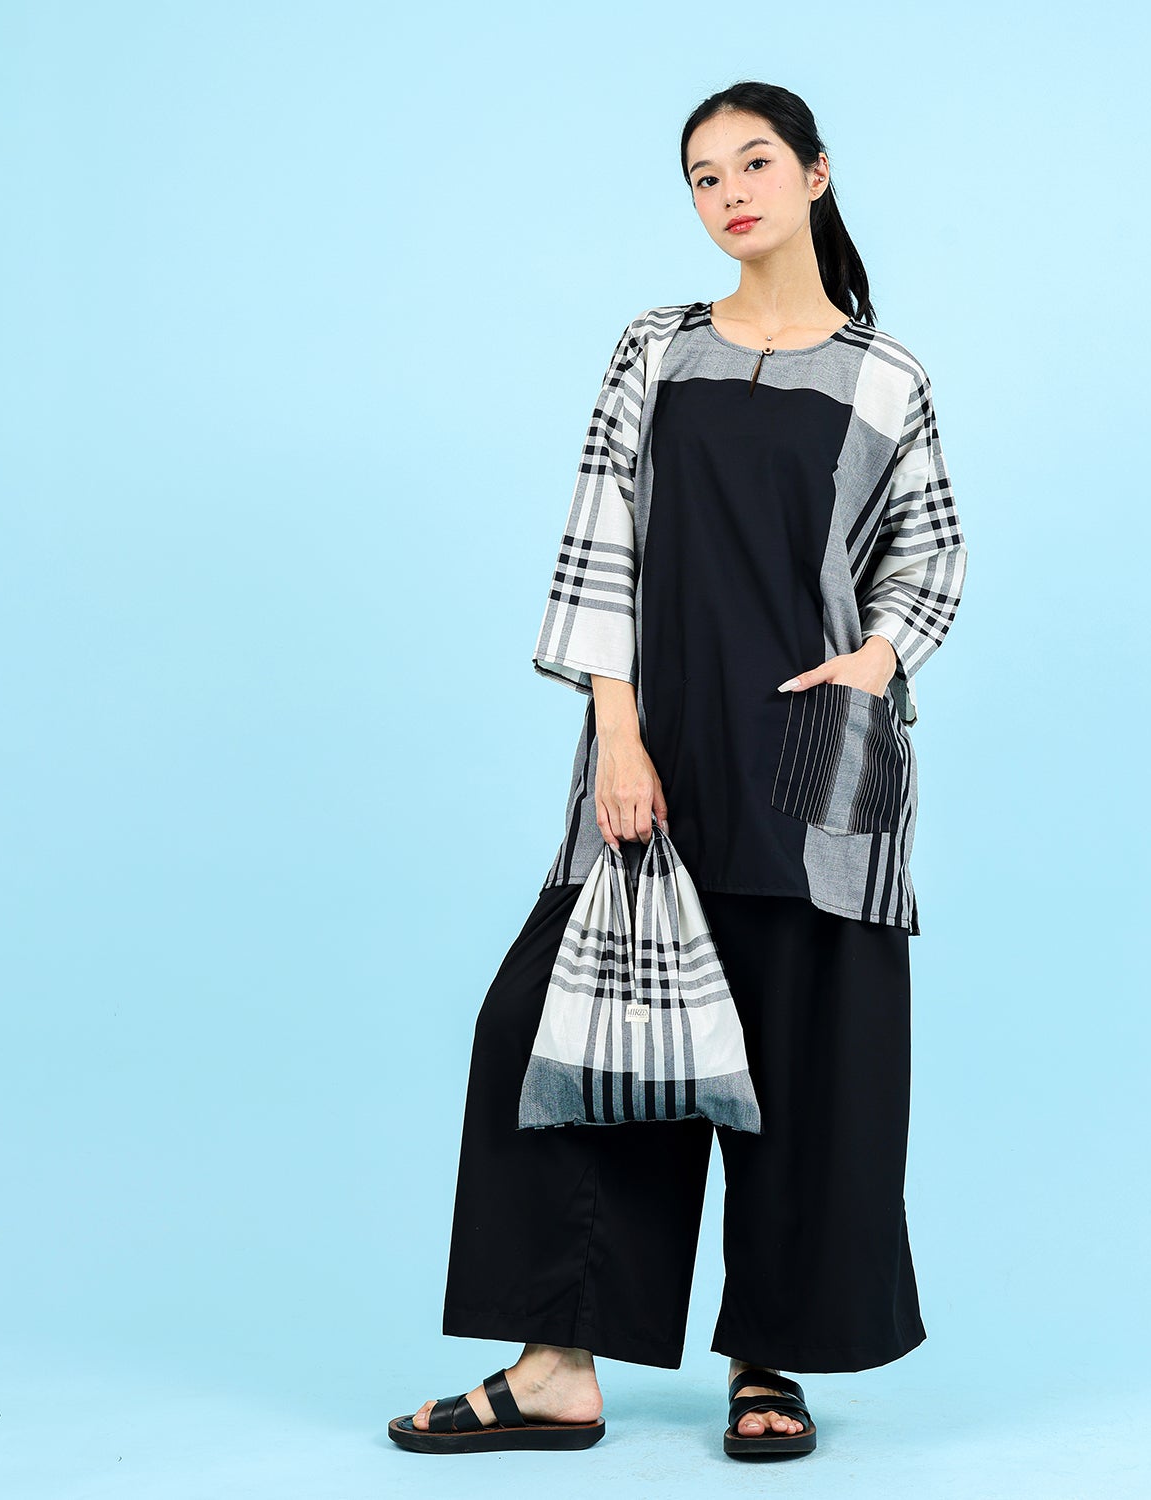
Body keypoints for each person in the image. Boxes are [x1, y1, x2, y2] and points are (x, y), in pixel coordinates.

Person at [388, 79, 968, 1460]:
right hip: (664, 748)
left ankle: (772, 1361)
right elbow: (601, 532)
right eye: (704, 177)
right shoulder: (655, 349)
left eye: (754, 163)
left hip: (820, 759)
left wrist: (874, 661)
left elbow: (931, 553)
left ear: (816, 173)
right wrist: (616, 727)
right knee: (564, 1039)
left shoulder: (888, 377)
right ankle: (555, 1368)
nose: (730, 194)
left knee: (803, 1061)